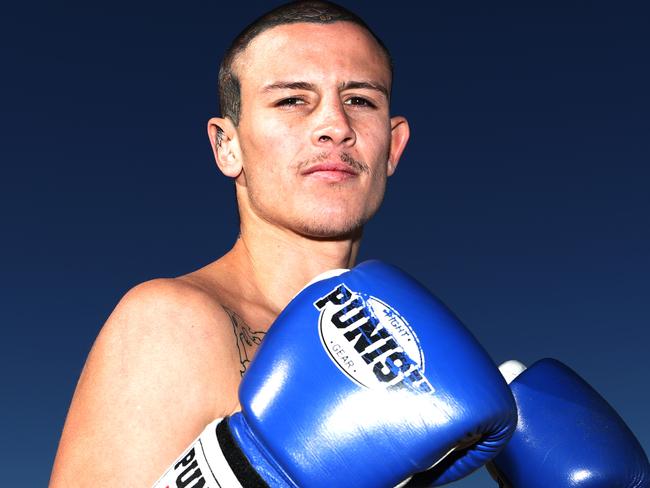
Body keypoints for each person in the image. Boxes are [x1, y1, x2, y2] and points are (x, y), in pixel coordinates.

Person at [50, 1, 410, 485]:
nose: (336, 127)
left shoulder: (405, 354)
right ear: (227, 146)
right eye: (292, 100)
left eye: (360, 100)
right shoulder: (173, 322)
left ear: (394, 144)